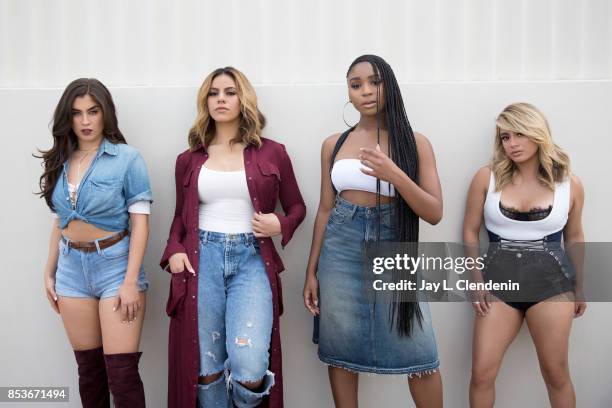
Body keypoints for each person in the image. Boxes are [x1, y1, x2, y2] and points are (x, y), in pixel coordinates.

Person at [160, 66, 306, 408]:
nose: (221, 99)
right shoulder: (188, 160)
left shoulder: (273, 153)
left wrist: (280, 224)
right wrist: (174, 250)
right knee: (206, 368)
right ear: (205, 102)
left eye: (229, 92)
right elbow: (179, 221)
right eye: (213, 93)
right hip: (201, 260)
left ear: (244, 99)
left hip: (252, 259)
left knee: (250, 366)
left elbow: (298, 206)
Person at [304, 55, 444, 408]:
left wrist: (393, 173)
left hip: (392, 244)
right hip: (341, 245)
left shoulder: (416, 142)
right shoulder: (333, 144)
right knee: (341, 347)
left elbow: (434, 212)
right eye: (356, 84)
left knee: (419, 350)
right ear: (348, 92)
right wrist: (311, 272)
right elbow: (324, 209)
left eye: (375, 82)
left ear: (389, 86)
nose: (366, 91)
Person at [37, 78, 152, 407]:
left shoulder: (128, 159)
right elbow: (61, 221)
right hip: (71, 269)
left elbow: (140, 223)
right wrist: (49, 270)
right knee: (89, 371)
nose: (85, 121)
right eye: (77, 113)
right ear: (67, 118)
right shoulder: (61, 159)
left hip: (115, 266)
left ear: (106, 114)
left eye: (93, 111)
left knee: (122, 373)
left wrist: (130, 281)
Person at [463, 102, 586, 408]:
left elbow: (575, 237)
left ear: (537, 134)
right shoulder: (486, 178)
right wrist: (476, 280)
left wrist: (583, 285)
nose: (512, 144)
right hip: (498, 284)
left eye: (519, 134)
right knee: (481, 374)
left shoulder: (569, 184)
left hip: (552, 285)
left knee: (556, 375)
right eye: (505, 137)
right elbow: (469, 231)